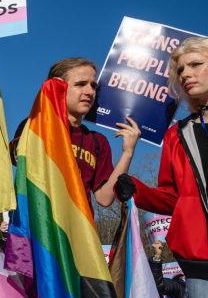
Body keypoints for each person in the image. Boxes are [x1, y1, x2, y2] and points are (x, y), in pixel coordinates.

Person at [115, 36, 208, 298]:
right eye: (180, 70)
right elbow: (172, 197)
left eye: (196, 65)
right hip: (200, 256)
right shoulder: (176, 135)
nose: (186, 74)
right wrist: (137, 190)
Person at [9, 58, 141, 211]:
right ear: (58, 88)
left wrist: (128, 152)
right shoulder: (34, 125)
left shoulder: (98, 141)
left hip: (81, 230)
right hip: (40, 226)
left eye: (93, 86)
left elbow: (104, 199)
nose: (90, 92)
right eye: (80, 84)